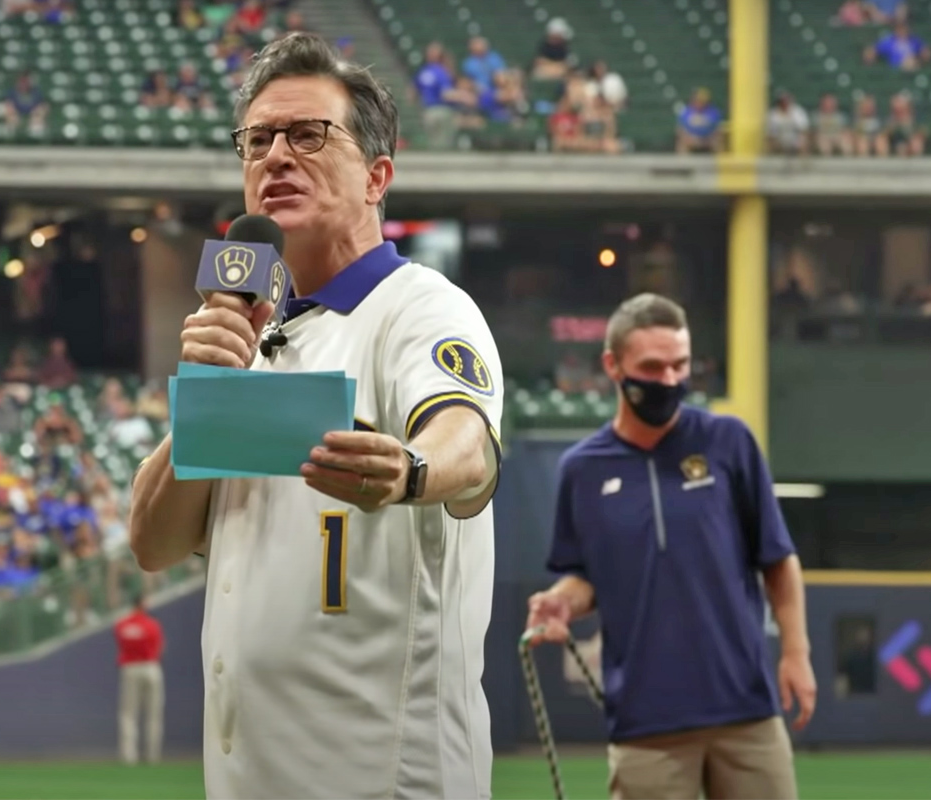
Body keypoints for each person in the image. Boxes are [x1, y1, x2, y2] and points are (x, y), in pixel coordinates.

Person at [127, 32, 503, 799]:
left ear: (377, 176)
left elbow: (468, 441)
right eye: (257, 139)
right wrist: (205, 382)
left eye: (307, 135)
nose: (275, 156)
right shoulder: (249, 335)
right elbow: (153, 543)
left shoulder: (419, 306)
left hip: (385, 778)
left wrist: (413, 468)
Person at [525, 294, 815, 800]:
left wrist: (796, 652)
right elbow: (585, 575)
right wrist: (561, 603)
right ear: (613, 366)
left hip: (744, 709)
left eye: (680, 365)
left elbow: (776, 558)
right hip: (645, 721)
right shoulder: (582, 469)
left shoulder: (729, 441)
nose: (668, 380)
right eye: (652, 367)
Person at [114, 595, 165, 765]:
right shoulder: (152, 624)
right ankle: (153, 755)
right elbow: (159, 647)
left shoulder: (122, 624)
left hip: (130, 667)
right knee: (153, 714)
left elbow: (121, 644)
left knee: (129, 714)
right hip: (151, 667)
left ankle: (129, 756)